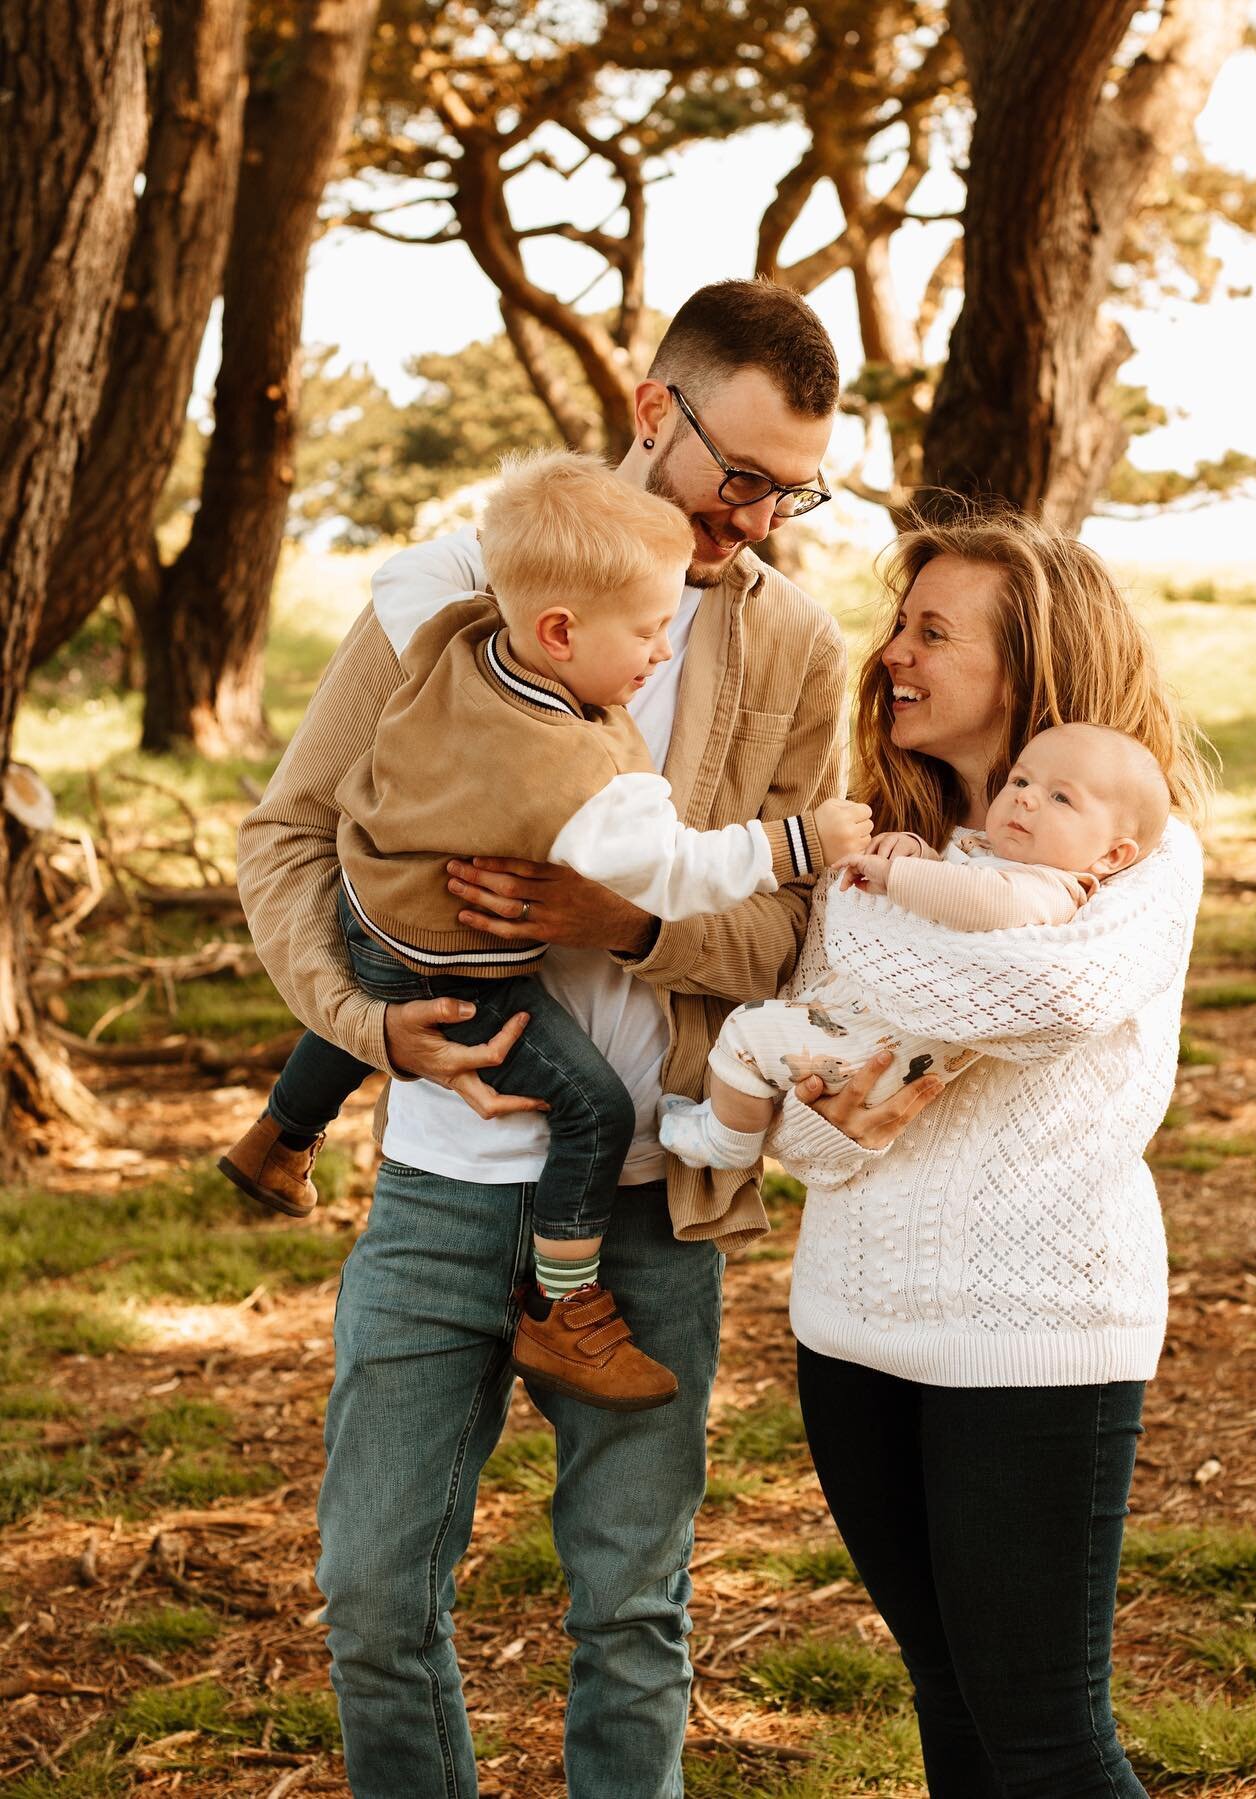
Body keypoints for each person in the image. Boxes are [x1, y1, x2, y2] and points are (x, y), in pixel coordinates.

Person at [235, 279, 939, 1799]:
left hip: (648, 1202)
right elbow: (288, 837)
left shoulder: (800, 643)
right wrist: (366, 1021)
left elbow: (790, 938)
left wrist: (614, 917)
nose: (755, 514)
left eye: (790, 488)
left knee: (631, 1609)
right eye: (737, 474)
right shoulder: (446, 586)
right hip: (434, 1187)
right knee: (369, 1598)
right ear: (651, 410)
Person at [221, 452, 868, 1412]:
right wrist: (801, 840)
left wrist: (517, 559)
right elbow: (686, 869)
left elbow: (403, 575)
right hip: (468, 986)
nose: (659, 650)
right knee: (592, 1108)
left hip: (380, 916)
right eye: (650, 633)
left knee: (389, 972)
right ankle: (563, 1307)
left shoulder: (454, 634)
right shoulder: (577, 769)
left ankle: (281, 1132)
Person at [761, 505, 1213, 1798]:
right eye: (900, 623)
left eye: (934, 631)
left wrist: (874, 943)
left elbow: (1053, 997)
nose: (893, 651)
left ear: (1030, 665)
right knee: (949, 1703)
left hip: (1036, 1327)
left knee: (1046, 1738)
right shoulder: (881, 844)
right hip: (850, 1319)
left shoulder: (1144, 851)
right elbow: (808, 1125)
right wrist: (920, 951)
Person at [658, 721, 1171, 1170]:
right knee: (755, 1039)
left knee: (747, 1033)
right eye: (1020, 780)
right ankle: (722, 1121)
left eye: (1062, 798)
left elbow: (976, 901)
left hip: (873, 1053)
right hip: (864, 1032)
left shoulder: (1051, 889)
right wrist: (916, 852)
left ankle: (725, 1141)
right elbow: (952, 883)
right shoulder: (992, 855)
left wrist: (899, 875)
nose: (1026, 797)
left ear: (1111, 856)